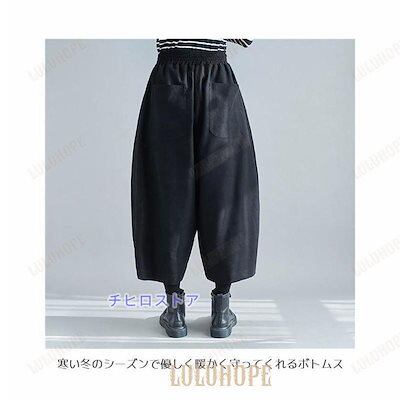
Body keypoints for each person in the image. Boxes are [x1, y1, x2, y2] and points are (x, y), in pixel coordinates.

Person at [131, 39, 259, 338]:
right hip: (216, 80)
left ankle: (175, 311)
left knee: (167, 194)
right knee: (225, 192)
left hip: (169, 79)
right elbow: (245, 37)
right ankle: (222, 311)